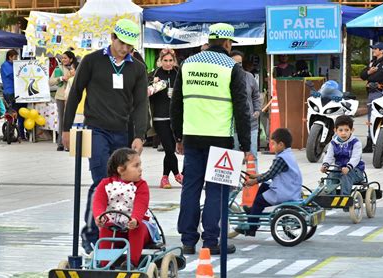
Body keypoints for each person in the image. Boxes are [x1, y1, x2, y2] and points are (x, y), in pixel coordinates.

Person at [63, 19, 148, 254]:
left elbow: (141, 103)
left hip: (122, 131)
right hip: (95, 129)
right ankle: (91, 233)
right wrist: (66, 128)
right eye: (121, 43)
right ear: (112, 38)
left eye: (129, 45)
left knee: (121, 183)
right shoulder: (92, 61)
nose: (125, 49)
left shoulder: (137, 68)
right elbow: (75, 93)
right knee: (102, 181)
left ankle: (115, 231)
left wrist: (140, 135)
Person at [171, 23, 251, 255]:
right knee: (217, 191)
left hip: (192, 138)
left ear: (210, 39)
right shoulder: (231, 67)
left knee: (190, 188)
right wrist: (246, 145)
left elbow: (176, 104)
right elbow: (242, 109)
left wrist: (178, 136)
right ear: (227, 43)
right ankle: (211, 241)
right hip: (221, 140)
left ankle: (187, 240)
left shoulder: (187, 64)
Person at [93, 148, 159, 268]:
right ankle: (104, 264)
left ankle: (132, 262)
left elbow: (141, 205)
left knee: (137, 228)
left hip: (137, 227)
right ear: (120, 170)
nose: (140, 169)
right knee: (105, 228)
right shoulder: (106, 184)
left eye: (140, 165)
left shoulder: (141, 186)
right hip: (115, 228)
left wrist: (135, 220)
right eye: (136, 166)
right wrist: (99, 216)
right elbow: (98, 202)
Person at [234, 128, 302, 236]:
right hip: (290, 188)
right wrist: (257, 176)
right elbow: (272, 172)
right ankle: (253, 211)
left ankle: (251, 228)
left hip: (285, 192)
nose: (272, 146)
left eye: (273, 144)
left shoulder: (281, 159)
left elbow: (270, 175)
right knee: (265, 186)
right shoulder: (287, 154)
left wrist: (254, 181)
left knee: (259, 201)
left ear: (281, 144)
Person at [149, 48, 183, 188]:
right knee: (169, 148)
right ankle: (177, 174)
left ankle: (164, 178)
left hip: (176, 117)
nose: (168, 63)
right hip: (159, 117)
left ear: (174, 61)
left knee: (171, 148)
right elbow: (144, 87)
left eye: (170, 60)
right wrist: (152, 83)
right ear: (160, 61)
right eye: (165, 60)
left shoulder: (179, 74)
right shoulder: (154, 74)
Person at [230, 50, 262, 169]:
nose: (237, 66)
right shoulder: (225, 78)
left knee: (252, 155)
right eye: (234, 63)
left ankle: (253, 183)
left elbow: (256, 96)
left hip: (250, 123)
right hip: (232, 124)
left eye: (240, 63)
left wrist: (257, 111)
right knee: (234, 155)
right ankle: (235, 184)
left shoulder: (249, 77)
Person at [360, 42, 383, 153]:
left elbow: (376, 77)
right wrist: (369, 71)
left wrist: (369, 74)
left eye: (375, 49)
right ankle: (370, 142)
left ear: (382, 51)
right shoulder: (373, 62)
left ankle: (380, 142)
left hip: (380, 92)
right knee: (370, 118)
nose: (373, 50)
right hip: (371, 93)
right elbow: (362, 75)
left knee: (379, 118)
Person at [320, 115, 365, 195]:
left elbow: (355, 157)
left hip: (355, 170)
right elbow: (329, 156)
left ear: (352, 130)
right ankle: (331, 197)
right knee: (330, 177)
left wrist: (348, 167)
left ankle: (345, 197)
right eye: (340, 130)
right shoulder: (333, 143)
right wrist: (325, 165)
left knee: (346, 177)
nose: (343, 133)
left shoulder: (355, 142)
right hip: (339, 169)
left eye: (346, 130)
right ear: (335, 130)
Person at [49, 50, 76, 151]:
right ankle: (60, 143)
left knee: (71, 120)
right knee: (62, 120)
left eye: (65, 58)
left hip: (73, 97)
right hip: (61, 97)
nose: (63, 60)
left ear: (71, 59)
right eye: (62, 58)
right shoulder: (58, 68)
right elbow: (50, 82)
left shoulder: (76, 68)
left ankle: (71, 143)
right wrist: (61, 78)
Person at [0, 49, 26, 140]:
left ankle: (21, 134)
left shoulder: (13, 65)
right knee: (13, 113)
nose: (16, 59)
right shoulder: (6, 65)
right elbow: (14, 76)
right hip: (10, 92)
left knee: (20, 112)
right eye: (15, 57)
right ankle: (11, 133)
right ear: (10, 57)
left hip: (18, 92)